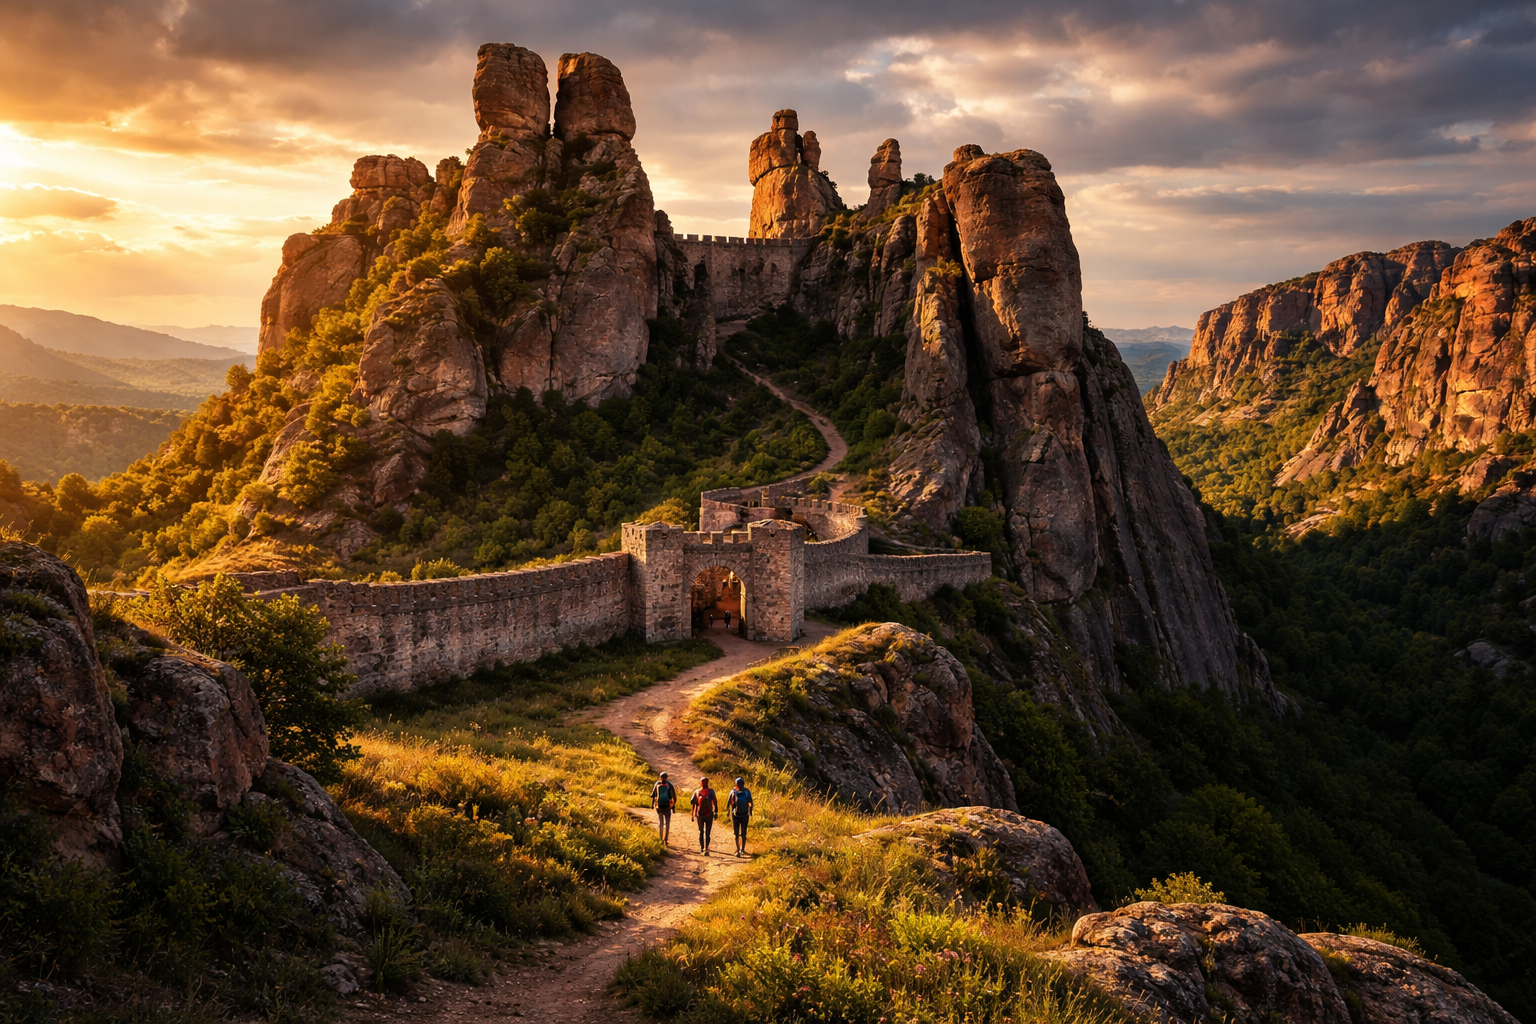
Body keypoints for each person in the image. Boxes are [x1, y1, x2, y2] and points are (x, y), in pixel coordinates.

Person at [690, 776, 718, 856]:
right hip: (709, 814)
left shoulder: (697, 791)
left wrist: (693, 814)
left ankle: (702, 848)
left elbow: (694, 803)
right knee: (707, 833)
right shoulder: (711, 791)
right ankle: (706, 848)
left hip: (700, 815)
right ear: (707, 783)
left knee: (701, 832)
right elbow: (715, 802)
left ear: (700, 783)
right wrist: (716, 812)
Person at [727, 776, 754, 857]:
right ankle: (742, 849)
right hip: (745, 814)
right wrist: (750, 811)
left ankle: (738, 849)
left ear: (736, 784)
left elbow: (728, 803)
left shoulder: (732, 792)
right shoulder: (747, 791)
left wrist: (728, 812)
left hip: (735, 815)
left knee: (736, 833)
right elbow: (751, 802)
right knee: (743, 833)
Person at [650, 771, 676, 846]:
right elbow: (673, 797)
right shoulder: (670, 785)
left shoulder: (657, 784)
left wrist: (652, 805)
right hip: (668, 807)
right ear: (666, 777)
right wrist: (673, 808)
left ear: (660, 777)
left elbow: (653, 795)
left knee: (661, 823)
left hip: (659, 807)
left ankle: (660, 839)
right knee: (667, 824)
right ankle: (666, 840)